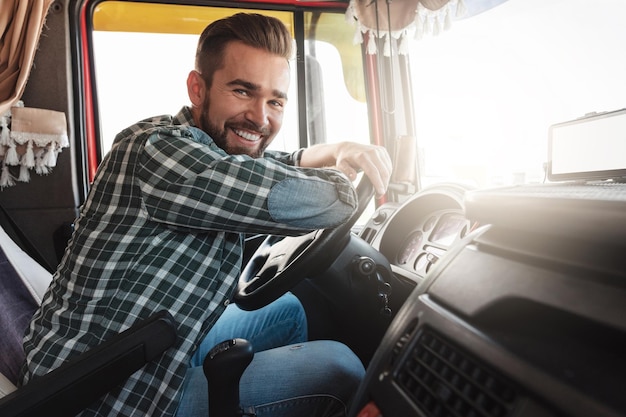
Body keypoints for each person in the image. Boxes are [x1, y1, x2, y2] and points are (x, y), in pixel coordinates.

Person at [20, 12, 392, 417]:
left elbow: (270, 162)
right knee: (339, 368)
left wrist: (337, 149)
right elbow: (311, 198)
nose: (261, 116)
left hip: (146, 345)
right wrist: (346, 181)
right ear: (198, 88)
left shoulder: (201, 152)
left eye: (275, 101)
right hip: (103, 392)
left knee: (288, 311)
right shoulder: (158, 152)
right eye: (243, 92)